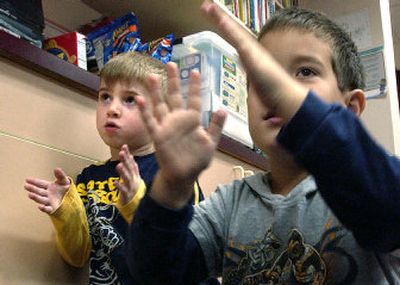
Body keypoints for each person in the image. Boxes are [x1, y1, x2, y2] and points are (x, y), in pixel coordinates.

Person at [126, 1, 400, 284]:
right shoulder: (229, 204)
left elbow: (387, 208)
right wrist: (170, 186)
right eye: (261, 77)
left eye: (305, 71)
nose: (273, 90)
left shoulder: (366, 185)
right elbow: (156, 271)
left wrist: (295, 104)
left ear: (350, 107)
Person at [24, 51, 204, 284]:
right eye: (105, 96)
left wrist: (137, 201)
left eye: (129, 100)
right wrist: (65, 211)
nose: (112, 109)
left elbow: (180, 256)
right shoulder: (89, 177)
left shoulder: (174, 176)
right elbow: (78, 256)